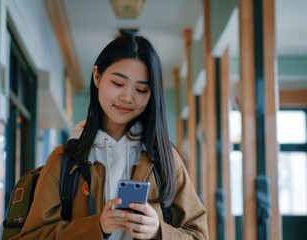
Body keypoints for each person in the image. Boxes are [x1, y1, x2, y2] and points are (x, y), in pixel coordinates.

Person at [19, 34, 209, 239]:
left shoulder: (165, 159)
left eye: (141, 89)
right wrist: (97, 227)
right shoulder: (64, 159)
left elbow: (199, 235)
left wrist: (158, 231)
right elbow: (32, 236)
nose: (127, 97)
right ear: (97, 76)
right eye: (118, 83)